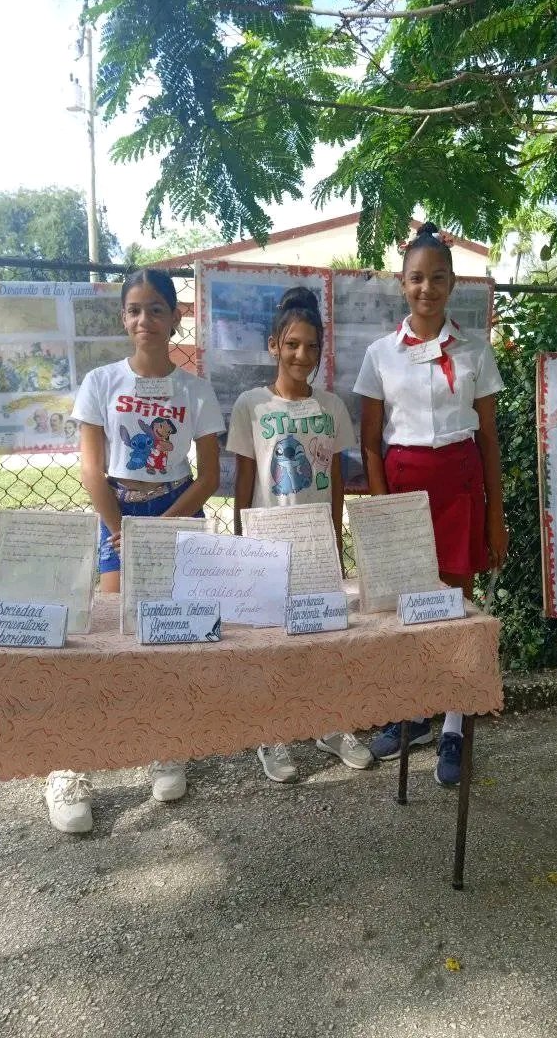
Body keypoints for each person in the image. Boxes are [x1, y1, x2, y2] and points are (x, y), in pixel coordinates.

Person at [46, 269, 225, 835]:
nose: (144, 319)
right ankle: (71, 764)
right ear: (123, 317)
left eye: (156, 309)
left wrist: (160, 529)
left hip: (177, 511)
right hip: (117, 513)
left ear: (176, 317)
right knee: (110, 637)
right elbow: (91, 469)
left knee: (170, 634)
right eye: (133, 310)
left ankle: (164, 745)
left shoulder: (195, 389)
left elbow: (209, 476)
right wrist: (121, 528)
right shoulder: (101, 381)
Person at [354, 222, 508, 786]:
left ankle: (452, 726)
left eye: (438, 278)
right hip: (403, 490)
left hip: (460, 487)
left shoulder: (475, 351)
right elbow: (371, 443)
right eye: (416, 278)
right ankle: (414, 711)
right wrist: (383, 514)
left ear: (452, 284)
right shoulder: (380, 354)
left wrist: (495, 514)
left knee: (456, 606)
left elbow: (488, 438)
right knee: (407, 607)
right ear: (402, 284)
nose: (427, 288)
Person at [227, 287, 373, 783]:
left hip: (315, 544)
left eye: (311, 346)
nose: (301, 355)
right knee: (271, 642)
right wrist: (241, 539)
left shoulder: (332, 407)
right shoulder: (251, 405)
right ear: (274, 345)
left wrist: (335, 536)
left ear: (321, 352)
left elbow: (335, 480)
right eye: (291, 344)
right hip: (267, 543)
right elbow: (244, 479)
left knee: (324, 635)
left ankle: (328, 724)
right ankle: (272, 733)